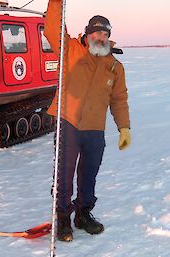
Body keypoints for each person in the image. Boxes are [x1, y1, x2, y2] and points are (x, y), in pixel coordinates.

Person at [44, 0, 131, 242]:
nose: (100, 37)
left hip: (95, 128)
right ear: (88, 34)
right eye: (96, 32)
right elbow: (52, 28)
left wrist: (124, 127)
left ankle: (83, 214)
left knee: (89, 174)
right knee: (64, 174)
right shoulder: (69, 49)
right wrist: (55, 3)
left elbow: (119, 99)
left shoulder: (115, 66)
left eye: (105, 33)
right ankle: (62, 218)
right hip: (67, 122)